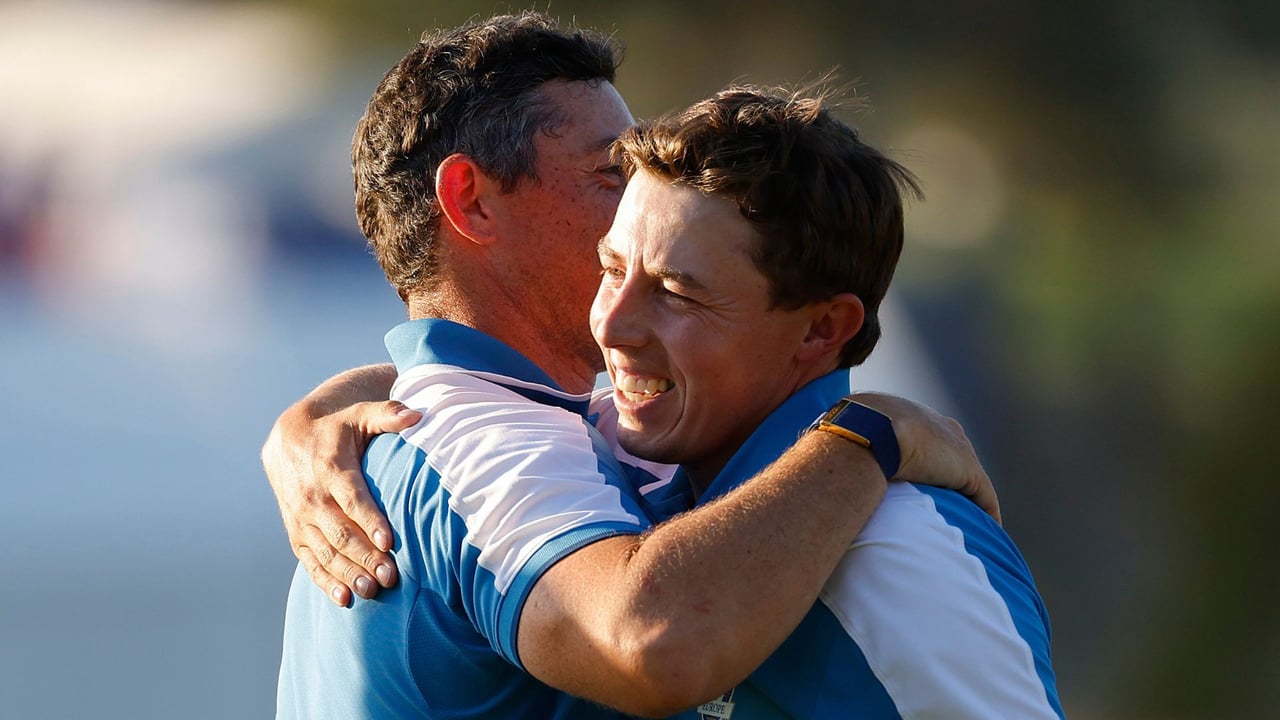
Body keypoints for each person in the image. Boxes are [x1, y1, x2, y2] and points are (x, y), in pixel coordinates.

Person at [269, 11, 998, 720]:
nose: (641, 209)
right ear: (472, 201)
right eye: (610, 175)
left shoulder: (469, 422)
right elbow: (651, 646)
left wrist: (318, 408)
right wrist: (869, 435)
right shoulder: (485, 439)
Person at [588, 86, 1064, 718]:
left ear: (822, 329)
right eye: (613, 270)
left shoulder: (906, 554)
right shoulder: (611, 472)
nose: (613, 326)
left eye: (677, 292)